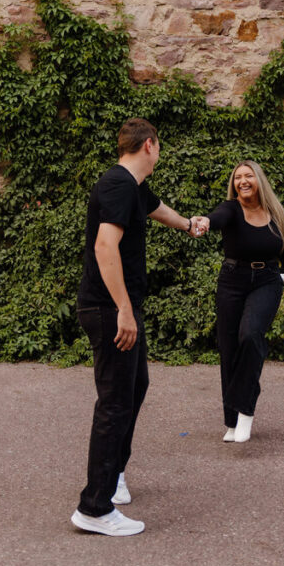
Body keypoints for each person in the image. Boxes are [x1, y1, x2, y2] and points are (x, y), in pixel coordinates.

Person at [71, 117, 204, 537]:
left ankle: (114, 478)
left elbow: (154, 207)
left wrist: (188, 224)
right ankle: (94, 508)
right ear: (150, 145)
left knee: (134, 388)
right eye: (159, 147)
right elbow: (104, 246)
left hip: (116, 308)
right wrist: (123, 309)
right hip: (109, 310)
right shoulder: (116, 185)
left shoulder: (131, 186)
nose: (159, 153)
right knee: (114, 404)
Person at [194, 160, 284, 443]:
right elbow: (216, 216)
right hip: (231, 281)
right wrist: (205, 221)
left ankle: (245, 411)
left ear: (259, 181)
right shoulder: (231, 209)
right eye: (238, 177)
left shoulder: (273, 212)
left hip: (267, 280)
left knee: (251, 334)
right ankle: (231, 423)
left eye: (248, 176)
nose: (242, 181)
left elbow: (283, 246)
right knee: (229, 349)